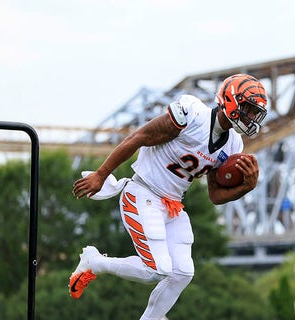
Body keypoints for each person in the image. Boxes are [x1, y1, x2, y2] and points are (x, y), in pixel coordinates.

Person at [69, 74, 268, 320]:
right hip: (144, 193)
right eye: (248, 109)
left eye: (254, 112)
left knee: (182, 273)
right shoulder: (193, 115)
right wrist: (101, 174)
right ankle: (95, 262)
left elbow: (215, 195)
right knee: (157, 270)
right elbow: (138, 137)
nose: (250, 117)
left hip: (173, 205)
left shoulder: (233, 144)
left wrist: (246, 187)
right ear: (229, 99)